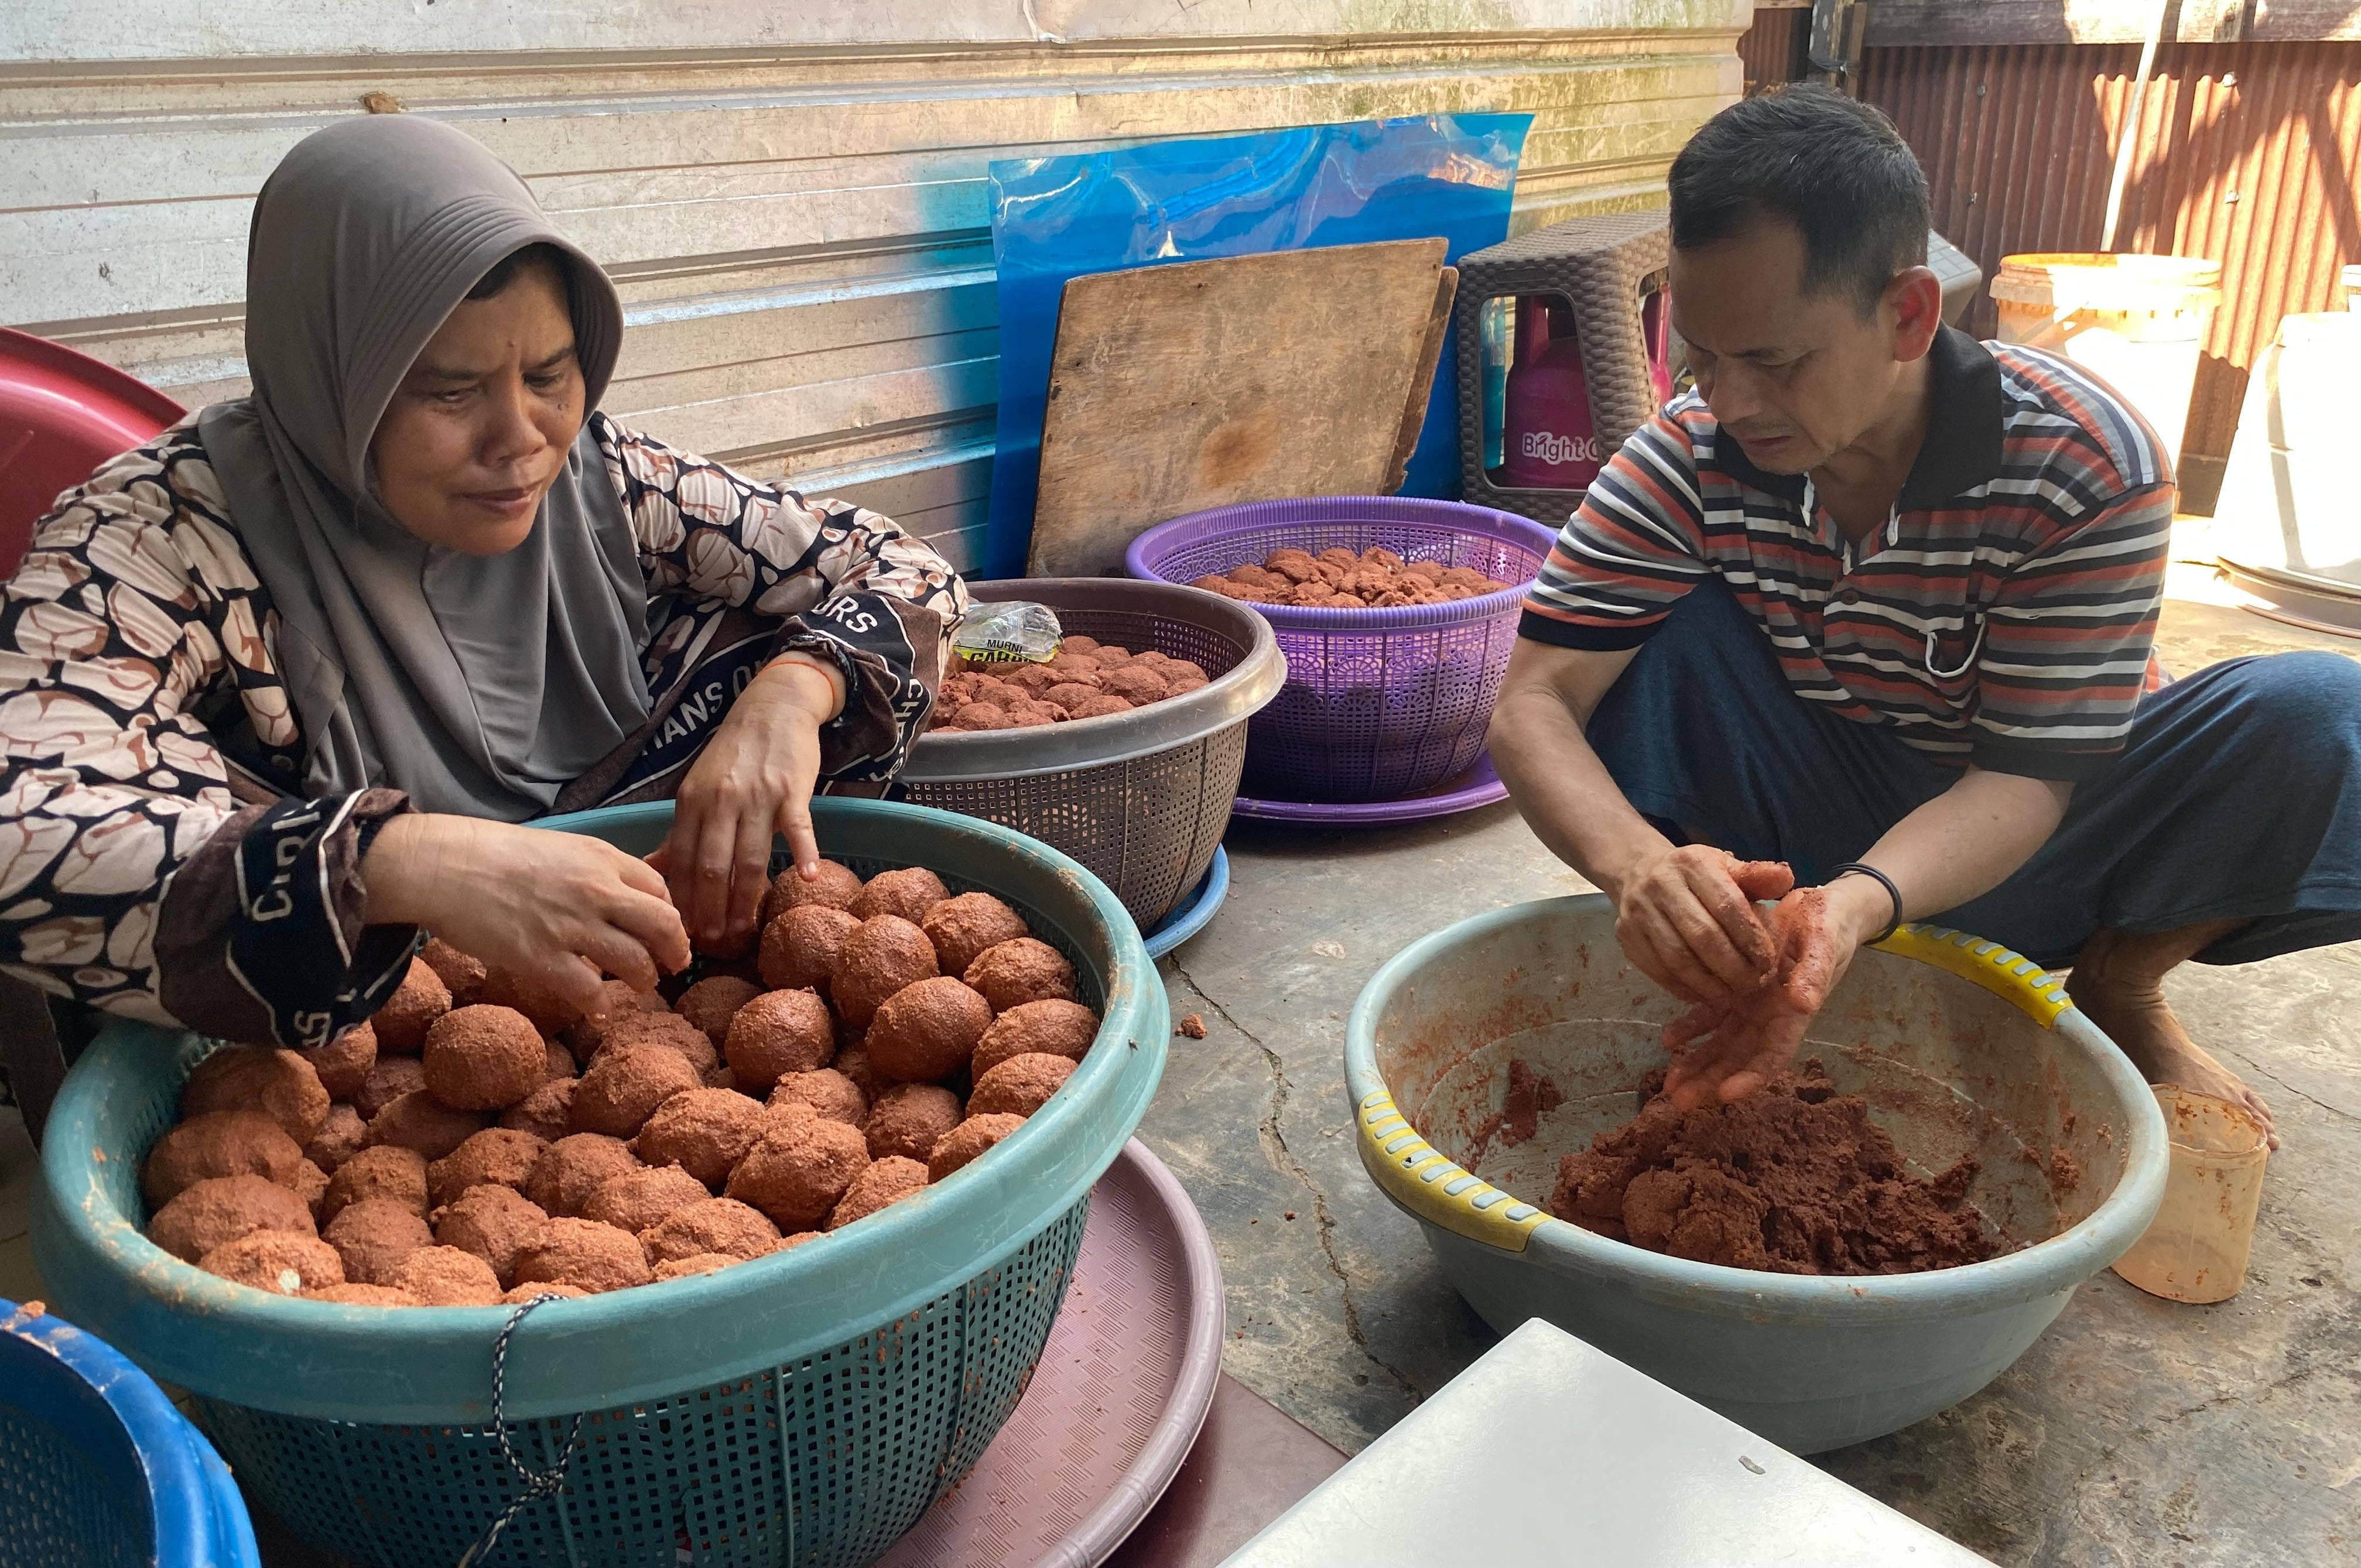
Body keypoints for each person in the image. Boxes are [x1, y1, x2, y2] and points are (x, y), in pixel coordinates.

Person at [1490, 85, 2361, 1146]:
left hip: (2047, 828)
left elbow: (2024, 779)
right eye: (1702, 355)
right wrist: (1641, 869)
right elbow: (1532, 702)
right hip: (1817, 801)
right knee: (1637, 645)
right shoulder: (1689, 451)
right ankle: (1746, 952)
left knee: (2320, 708)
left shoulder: (2083, 462)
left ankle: (2123, 982)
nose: (1729, 404)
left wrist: (1856, 907)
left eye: (1773, 359)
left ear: (1907, 314)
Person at [0, 114, 966, 1062]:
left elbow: (902, 565)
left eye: (551, 372)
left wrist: (794, 698)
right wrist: (410, 861)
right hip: (359, 1038)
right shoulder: (158, 536)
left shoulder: (604, 476)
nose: (521, 439)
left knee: (800, 637)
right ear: (335, 377)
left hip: (659, 969)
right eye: (449, 394)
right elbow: (21, 822)